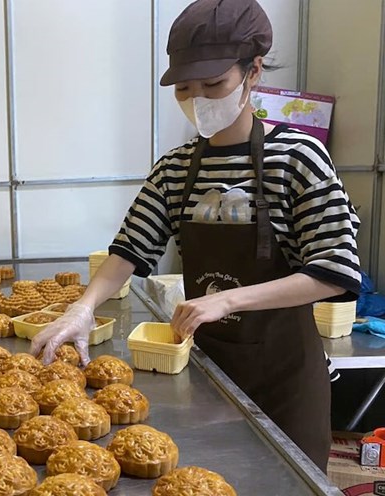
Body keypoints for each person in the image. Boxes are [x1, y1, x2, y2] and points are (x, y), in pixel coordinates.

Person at [30, 0, 360, 472]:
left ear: (253, 72)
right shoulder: (176, 168)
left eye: (213, 84)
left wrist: (227, 300)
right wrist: (82, 308)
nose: (198, 99)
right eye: (185, 88)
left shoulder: (299, 157)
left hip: (285, 378)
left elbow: (333, 271)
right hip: (207, 370)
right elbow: (129, 249)